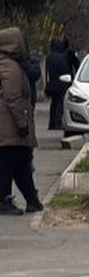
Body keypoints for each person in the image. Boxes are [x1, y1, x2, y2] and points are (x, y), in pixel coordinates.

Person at [0, 27, 42, 215]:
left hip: (12, 126)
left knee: (21, 163)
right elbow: (13, 98)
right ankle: (4, 200)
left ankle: (32, 200)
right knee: (9, 164)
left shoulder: (13, 64)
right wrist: (22, 124)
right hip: (9, 126)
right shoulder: (9, 66)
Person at [44, 38, 71, 131]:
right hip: (61, 83)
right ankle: (58, 123)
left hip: (52, 83)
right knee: (60, 103)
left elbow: (47, 72)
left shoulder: (49, 57)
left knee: (54, 103)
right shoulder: (63, 57)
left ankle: (51, 123)